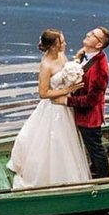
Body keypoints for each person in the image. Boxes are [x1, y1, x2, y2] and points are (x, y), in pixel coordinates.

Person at [6, 29, 92, 189]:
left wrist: (76, 61)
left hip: (65, 107)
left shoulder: (61, 55)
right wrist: (66, 91)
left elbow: (66, 71)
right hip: (54, 109)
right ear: (53, 46)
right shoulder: (46, 65)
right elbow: (43, 93)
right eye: (61, 42)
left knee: (67, 141)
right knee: (55, 142)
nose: (65, 44)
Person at [66, 25, 109, 178]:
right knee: (91, 147)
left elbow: (91, 100)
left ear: (99, 45)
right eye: (91, 32)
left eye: (93, 35)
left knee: (95, 148)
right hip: (81, 112)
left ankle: (103, 179)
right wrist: (78, 58)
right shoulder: (87, 55)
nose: (88, 34)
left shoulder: (100, 69)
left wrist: (66, 100)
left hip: (89, 117)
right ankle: (94, 170)